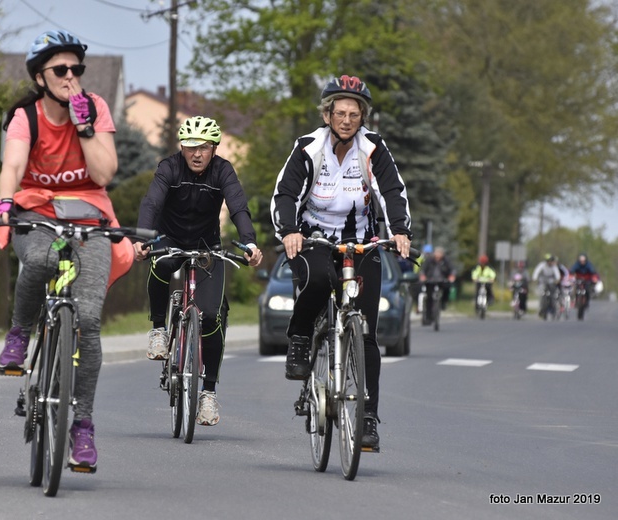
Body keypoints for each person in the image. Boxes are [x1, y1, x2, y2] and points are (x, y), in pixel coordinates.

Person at [0, 30, 128, 472]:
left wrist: (85, 126)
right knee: (41, 259)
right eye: (60, 70)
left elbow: (103, 174)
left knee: (87, 320)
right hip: (36, 211)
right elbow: (13, 165)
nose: (71, 77)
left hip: (91, 216)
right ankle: (18, 334)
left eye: (76, 70)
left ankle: (81, 425)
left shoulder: (95, 107)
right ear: (40, 77)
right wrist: (6, 202)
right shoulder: (25, 116)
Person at [270, 75, 412, 451]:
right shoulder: (308, 148)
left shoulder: (373, 148)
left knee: (365, 335)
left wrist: (399, 231)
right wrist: (288, 230)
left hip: (362, 245)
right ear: (328, 114)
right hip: (315, 240)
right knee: (317, 279)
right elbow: (285, 193)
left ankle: (367, 419)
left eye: (354, 113)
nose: (347, 119)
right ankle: (300, 337)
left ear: (362, 116)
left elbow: (392, 191)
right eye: (340, 112)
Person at [133, 116, 263, 427]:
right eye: (190, 146)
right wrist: (142, 238)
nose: (196, 153)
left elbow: (238, 207)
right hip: (170, 238)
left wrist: (249, 242)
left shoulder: (223, 171)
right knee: (161, 263)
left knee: (210, 315)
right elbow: (151, 202)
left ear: (214, 148)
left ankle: (208, 393)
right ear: (181, 147)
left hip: (207, 244)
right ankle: (159, 329)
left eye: (203, 147)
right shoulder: (169, 167)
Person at [418, 246, 456, 321]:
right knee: (429, 297)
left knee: (447, 288)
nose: (438, 255)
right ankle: (428, 316)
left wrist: (452, 276)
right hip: (430, 280)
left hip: (442, 280)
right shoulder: (429, 260)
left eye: (440, 253)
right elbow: (423, 269)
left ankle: (443, 303)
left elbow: (452, 269)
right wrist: (423, 276)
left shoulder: (446, 261)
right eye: (437, 253)